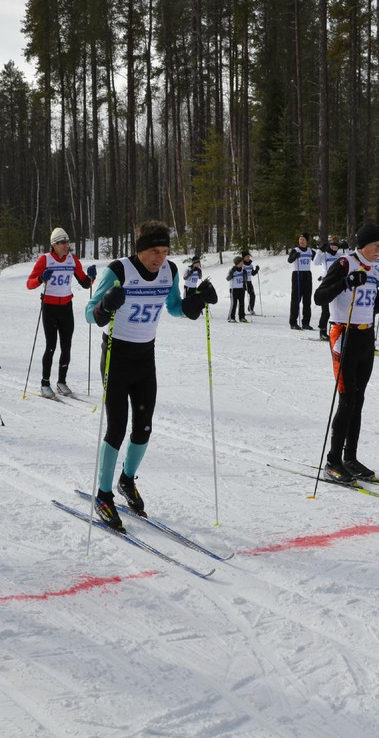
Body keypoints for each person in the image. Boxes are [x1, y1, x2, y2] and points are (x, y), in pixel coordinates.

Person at [84, 220, 218, 530]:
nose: (160, 257)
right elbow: (89, 313)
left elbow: (173, 307)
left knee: (143, 427)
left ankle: (127, 480)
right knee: (117, 427)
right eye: (154, 251)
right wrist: (105, 304)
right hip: (116, 356)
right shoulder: (118, 271)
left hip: (145, 357)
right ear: (141, 250)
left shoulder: (169, 271)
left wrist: (196, 300)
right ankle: (103, 495)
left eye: (165, 251)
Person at [314, 224, 379, 485]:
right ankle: (332, 462)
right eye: (377, 246)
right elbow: (319, 297)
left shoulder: (374, 268)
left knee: (359, 399)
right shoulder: (345, 264)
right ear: (363, 245)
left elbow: (371, 306)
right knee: (346, 400)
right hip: (343, 334)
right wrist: (345, 282)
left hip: (366, 336)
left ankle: (350, 458)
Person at [26, 227, 95, 398]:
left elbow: (85, 283)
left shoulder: (72, 260)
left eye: (67, 242)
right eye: (62, 242)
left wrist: (92, 277)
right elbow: (29, 283)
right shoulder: (45, 260)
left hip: (66, 307)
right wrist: (41, 278)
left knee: (67, 346)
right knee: (51, 346)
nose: (66, 245)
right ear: (54, 244)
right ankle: (45, 383)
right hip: (49, 307)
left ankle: (61, 381)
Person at [313, 236, 344, 341]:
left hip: (337, 282)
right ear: (329, 246)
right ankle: (322, 331)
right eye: (332, 247)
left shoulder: (340, 256)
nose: (334, 249)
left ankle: (335, 331)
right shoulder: (325, 255)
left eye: (336, 247)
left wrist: (347, 249)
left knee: (336, 308)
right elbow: (316, 262)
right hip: (326, 282)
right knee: (326, 309)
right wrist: (319, 251)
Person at [287, 233, 315, 330]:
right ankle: (293, 322)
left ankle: (306, 322)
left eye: (303, 239)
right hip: (297, 275)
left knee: (307, 300)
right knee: (296, 300)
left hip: (307, 275)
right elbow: (289, 260)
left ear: (307, 241)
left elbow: (318, 259)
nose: (301, 241)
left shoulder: (310, 251)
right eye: (300, 239)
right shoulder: (295, 250)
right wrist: (294, 256)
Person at [226, 255, 247, 322]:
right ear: (238, 263)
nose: (242, 263)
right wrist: (231, 273)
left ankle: (242, 317)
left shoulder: (243, 269)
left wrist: (245, 275)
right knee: (234, 303)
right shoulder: (232, 269)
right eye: (241, 262)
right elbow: (228, 278)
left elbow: (245, 279)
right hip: (233, 289)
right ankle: (231, 317)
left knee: (242, 303)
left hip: (241, 288)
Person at [241, 251, 259, 315]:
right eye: (247, 256)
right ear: (243, 257)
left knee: (252, 295)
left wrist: (256, 270)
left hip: (249, 282)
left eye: (249, 256)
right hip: (242, 282)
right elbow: (238, 273)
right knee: (241, 297)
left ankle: (250, 308)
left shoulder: (250, 264)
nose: (248, 258)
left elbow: (252, 273)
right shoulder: (242, 264)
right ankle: (241, 311)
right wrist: (243, 274)